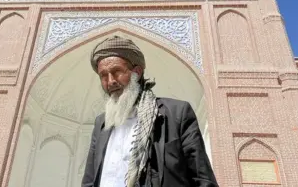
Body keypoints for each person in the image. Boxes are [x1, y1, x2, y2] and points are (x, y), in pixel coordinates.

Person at [82, 35, 218, 187]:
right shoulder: (102, 123)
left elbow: (203, 179)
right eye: (103, 76)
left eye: (117, 71)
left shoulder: (175, 114)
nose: (110, 81)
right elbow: (89, 180)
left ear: (137, 72)